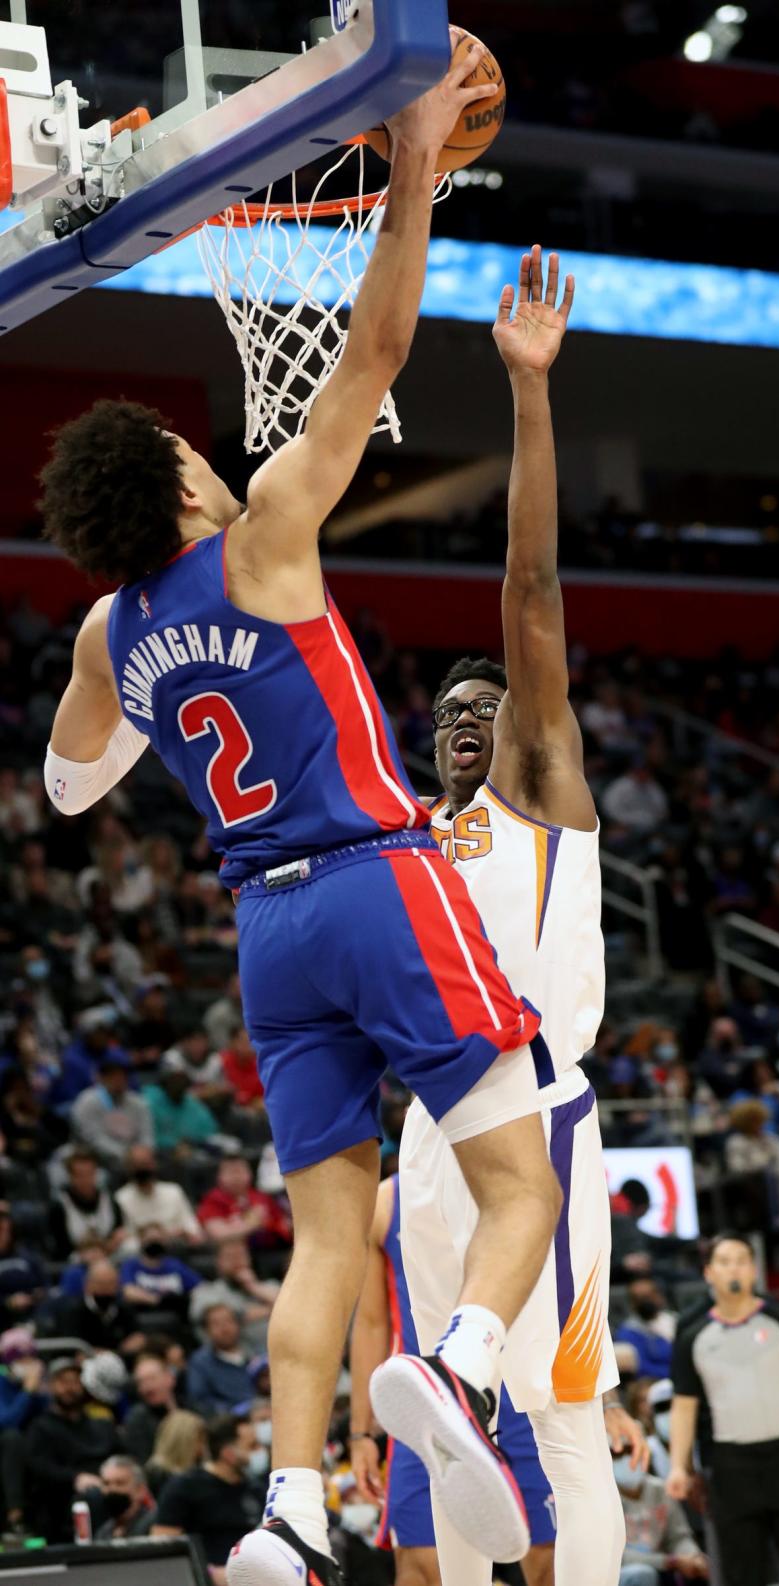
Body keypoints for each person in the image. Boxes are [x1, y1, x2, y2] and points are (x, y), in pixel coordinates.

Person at [41, 51, 561, 1586]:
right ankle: (463, 1364)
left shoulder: (107, 635)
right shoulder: (265, 531)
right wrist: (409, 166)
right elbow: (381, 343)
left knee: (327, 1232)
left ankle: (292, 1507)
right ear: (186, 485)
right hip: (374, 878)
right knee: (516, 1178)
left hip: (265, 930)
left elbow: (72, 788)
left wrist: (133, 689)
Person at [400, 247, 642, 1586]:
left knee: (562, 1420)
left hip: (538, 1114)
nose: (465, 730)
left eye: (485, 716)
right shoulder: (413, 843)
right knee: (446, 1433)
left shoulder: (540, 794)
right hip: (433, 1141)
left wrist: (529, 392)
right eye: (447, 718)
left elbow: (532, 600)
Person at [350, 1176, 559, 1586]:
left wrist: (604, 1402)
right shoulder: (384, 1201)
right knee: (420, 1570)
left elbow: (567, 1291)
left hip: (520, 1395)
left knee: (551, 1564)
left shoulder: (524, 1172)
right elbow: (372, 1322)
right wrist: (360, 1432)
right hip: (427, 1401)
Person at [668, 1234, 779, 1586]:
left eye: (741, 1260)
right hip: (730, 1467)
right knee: (742, 1571)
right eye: (724, 1261)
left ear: (754, 1270)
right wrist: (679, 1466)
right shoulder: (694, 1336)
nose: (733, 1267)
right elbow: (683, 1407)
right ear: (709, 1273)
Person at [22, 1358, 121, 1541]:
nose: (70, 1388)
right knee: (90, 1497)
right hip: (64, 1497)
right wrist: (75, 1477)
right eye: (63, 1382)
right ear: (51, 1386)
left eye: (75, 1382)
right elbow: (39, 1468)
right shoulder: (40, 1427)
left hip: (108, 1485)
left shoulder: (102, 1425)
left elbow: (121, 1455)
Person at [152, 1411, 258, 1577]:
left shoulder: (256, 1488)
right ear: (228, 1453)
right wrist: (207, 1574)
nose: (259, 1451)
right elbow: (161, 1545)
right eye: (252, 1446)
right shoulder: (185, 1487)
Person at [615, 1459, 709, 1585]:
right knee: (642, 1574)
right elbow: (616, 1556)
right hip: (623, 1572)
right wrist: (669, 1561)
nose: (626, 1459)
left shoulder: (660, 1489)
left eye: (629, 1449)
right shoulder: (602, 1496)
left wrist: (693, 1557)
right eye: (617, 1454)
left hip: (664, 1568)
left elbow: (678, 1537)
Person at [189, 1237, 279, 1354]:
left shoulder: (269, 1286)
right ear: (218, 1262)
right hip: (240, 1359)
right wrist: (272, 1309)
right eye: (230, 1257)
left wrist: (253, 1287)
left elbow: (293, 1310)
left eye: (241, 1255)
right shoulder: (205, 1292)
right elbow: (227, 1319)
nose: (237, 1261)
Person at [50, 1258, 146, 1358]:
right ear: (88, 1285)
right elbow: (71, 1348)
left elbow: (137, 1335)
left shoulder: (124, 1309)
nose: (106, 1289)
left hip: (121, 1362)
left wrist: (137, 1340)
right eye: (101, 1284)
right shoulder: (71, 1311)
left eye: (111, 1284)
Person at [71, 1059, 154, 1169]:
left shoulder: (137, 1102)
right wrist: (125, 1154)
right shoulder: (87, 1101)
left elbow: (147, 1134)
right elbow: (92, 1138)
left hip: (136, 1158)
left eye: (122, 1076)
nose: (118, 1080)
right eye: (113, 1076)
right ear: (101, 1078)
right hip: (97, 1157)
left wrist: (143, 1152)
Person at [197, 1156, 291, 1252]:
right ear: (219, 1177)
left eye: (240, 1171)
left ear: (250, 1174)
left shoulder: (261, 1197)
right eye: (231, 1172)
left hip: (273, 1250)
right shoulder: (212, 1200)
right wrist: (253, 1223)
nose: (236, 1177)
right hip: (235, 1255)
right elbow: (219, 1234)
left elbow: (285, 1227)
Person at [115, 1144, 204, 1244]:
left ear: (154, 1164)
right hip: (139, 1251)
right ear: (129, 1168)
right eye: (137, 1165)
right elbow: (124, 1236)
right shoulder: (121, 1198)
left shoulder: (174, 1192)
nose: (142, 1169)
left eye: (145, 1163)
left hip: (175, 1246)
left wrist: (173, 1234)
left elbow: (192, 1228)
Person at [48, 1149, 125, 1261]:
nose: (85, 1180)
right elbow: (60, 1247)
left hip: (109, 1256)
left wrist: (111, 1244)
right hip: (75, 1260)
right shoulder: (59, 1206)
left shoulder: (110, 1201)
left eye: (89, 1174)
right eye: (80, 1175)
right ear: (70, 1177)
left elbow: (118, 1232)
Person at [186, 1304, 253, 1414]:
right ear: (206, 1331)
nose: (225, 1328)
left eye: (229, 1321)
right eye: (216, 1324)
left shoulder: (255, 1353)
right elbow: (200, 1401)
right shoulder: (200, 1362)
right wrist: (235, 1412)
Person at [123, 1351, 182, 1465]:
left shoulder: (190, 1407)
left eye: (152, 1379)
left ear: (170, 1378)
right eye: (141, 1382)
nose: (146, 1388)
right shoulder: (137, 1419)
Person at [145, 1408, 207, 1500]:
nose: (203, 1447)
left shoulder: (198, 1470)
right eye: (199, 1440)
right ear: (184, 1443)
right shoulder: (158, 1476)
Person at [95, 1453, 156, 1540]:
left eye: (120, 1483)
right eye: (106, 1483)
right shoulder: (103, 1532)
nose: (112, 1489)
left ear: (140, 1490)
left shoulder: (154, 1524)